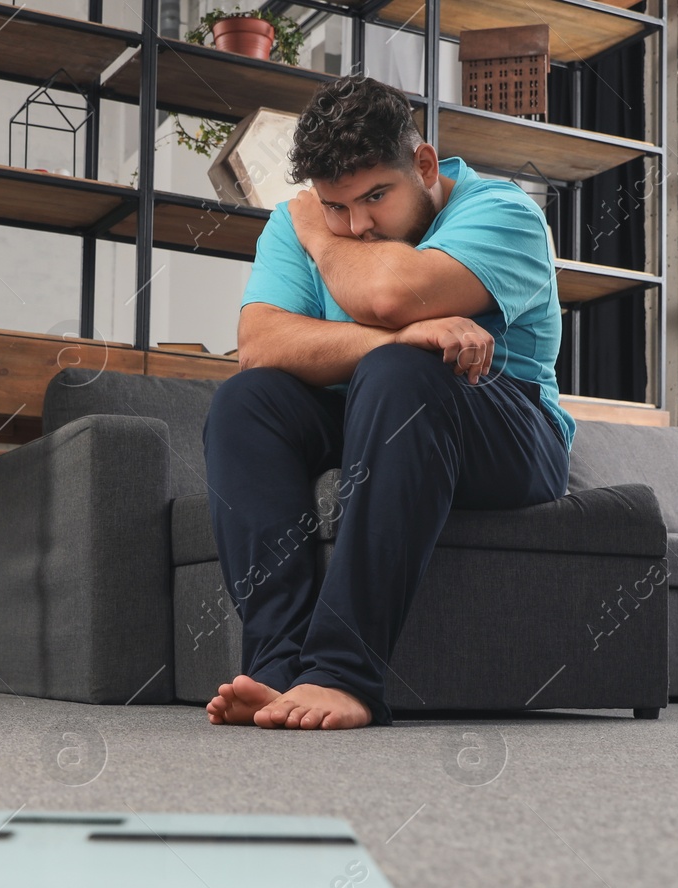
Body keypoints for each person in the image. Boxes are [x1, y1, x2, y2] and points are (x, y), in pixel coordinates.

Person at [203, 74, 573, 731]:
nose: (358, 224)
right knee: (247, 400)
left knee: (400, 374)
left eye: (377, 196)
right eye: (337, 207)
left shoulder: (503, 211)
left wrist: (322, 243)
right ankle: (279, 669)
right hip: (367, 405)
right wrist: (401, 336)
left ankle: (344, 675)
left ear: (424, 164)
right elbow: (258, 343)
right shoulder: (309, 220)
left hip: (506, 423)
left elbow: (392, 295)